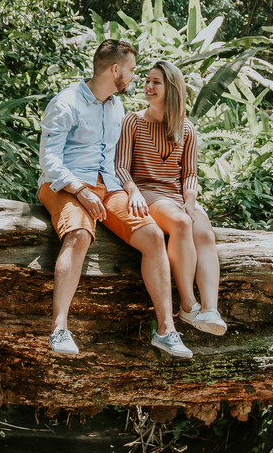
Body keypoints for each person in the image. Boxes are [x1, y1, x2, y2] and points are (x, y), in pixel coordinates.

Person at [38, 39, 193, 359]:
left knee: (152, 236)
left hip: (108, 187)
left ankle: (166, 330)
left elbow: (114, 163)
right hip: (63, 185)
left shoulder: (116, 106)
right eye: (133, 71)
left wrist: (131, 190)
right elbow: (49, 160)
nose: (136, 78)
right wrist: (79, 190)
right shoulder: (66, 102)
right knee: (80, 235)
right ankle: (59, 329)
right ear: (115, 69)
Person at [115, 60, 227, 336]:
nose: (148, 86)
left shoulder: (186, 128)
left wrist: (190, 201)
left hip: (178, 195)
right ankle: (188, 306)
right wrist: (132, 191)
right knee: (181, 223)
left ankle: (210, 310)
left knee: (205, 233)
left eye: (156, 82)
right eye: (147, 81)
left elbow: (190, 174)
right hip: (148, 192)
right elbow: (120, 166)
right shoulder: (133, 121)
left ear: (172, 89)